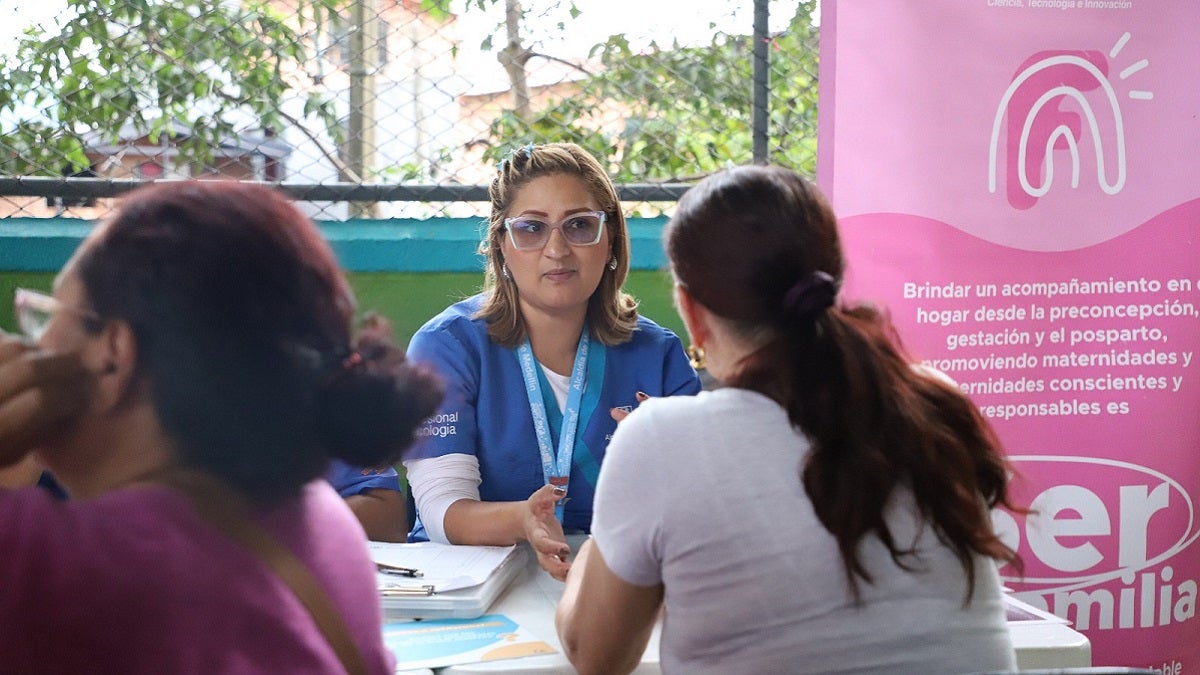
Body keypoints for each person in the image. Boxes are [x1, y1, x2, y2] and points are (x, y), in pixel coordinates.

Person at [556, 165, 1021, 674]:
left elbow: (594, 658)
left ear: (690, 310)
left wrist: (595, 549)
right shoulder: (930, 402)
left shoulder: (658, 441)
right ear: (830, 280)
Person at [0, 181, 442, 673]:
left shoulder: (52, 564)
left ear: (112, 356)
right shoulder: (318, 518)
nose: (32, 344)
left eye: (49, 317)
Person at [404, 142, 701, 579]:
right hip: (476, 586)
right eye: (531, 228)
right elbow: (440, 508)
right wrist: (523, 520)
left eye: (580, 225)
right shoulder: (446, 348)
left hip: (618, 582)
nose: (557, 249)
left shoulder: (658, 356)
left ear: (611, 239)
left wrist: (661, 472)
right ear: (501, 244)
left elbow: (699, 508)